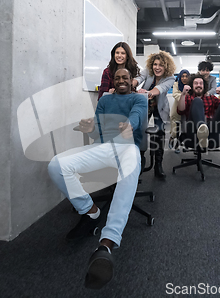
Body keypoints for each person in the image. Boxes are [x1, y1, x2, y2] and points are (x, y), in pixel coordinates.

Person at [48, 68, 146, 290]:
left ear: (132, 81)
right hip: (102, 148)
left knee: (131, 161)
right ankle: (91, 211)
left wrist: (128, 126)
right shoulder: (105, 100)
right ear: (113, 81)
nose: (121, 81)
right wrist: (90, 128)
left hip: (127, 148)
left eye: (125, 78)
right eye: (117, 78)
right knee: (56, 165)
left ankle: (107, 243)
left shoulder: (138, 99)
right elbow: (97, 131)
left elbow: (137, 117)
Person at [134, 51, 176, 178]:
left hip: (160, 107)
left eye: (161, 65)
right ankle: (140, 159)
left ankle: (158, 165)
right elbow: (138, 78)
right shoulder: (148, 71)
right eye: (155, 64)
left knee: (159, 133)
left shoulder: (170, 78)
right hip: (145, 105)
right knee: (139, 131)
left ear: (166, 67)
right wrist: (130, 85)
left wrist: (147, 92)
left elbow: (160, 89)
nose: (157, 67)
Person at [177, 73, 220, 150]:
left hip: (211, 132)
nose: (198, 85)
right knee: (197, 101)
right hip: (194, 132)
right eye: (196, 83)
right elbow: (180, 110)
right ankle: (202, 129)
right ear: (192, 86)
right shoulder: (188, 97)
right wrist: (183, 94)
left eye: (201, 83)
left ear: (204, 86)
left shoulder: (211, 98)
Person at [169, 69, 190, 153]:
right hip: (177, 109)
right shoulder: (176, 84)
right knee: (175, 130)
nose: (184, 78)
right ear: (180, 77)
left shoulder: (190, 85)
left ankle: (177, 146)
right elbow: (175, 94)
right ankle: (171, 139)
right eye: (182, 76)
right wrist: (184, 95)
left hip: (187, 110)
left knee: (184, 130)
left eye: (186, 76)